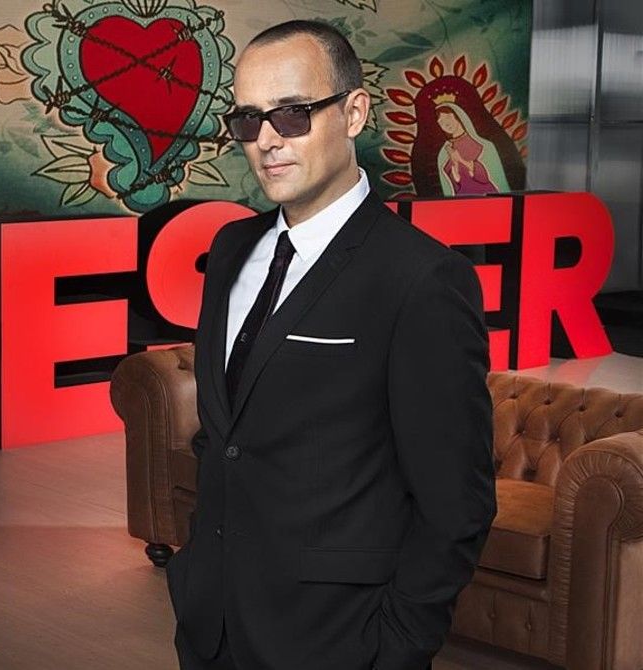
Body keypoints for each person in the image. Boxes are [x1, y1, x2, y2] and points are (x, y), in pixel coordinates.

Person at [164, 20, 496, 670]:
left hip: (338, 642)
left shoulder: (421, 279)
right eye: (248, 120)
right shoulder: (231, 249)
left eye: (292, 114)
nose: (267, 141)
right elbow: (226, 437)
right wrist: (195, 569)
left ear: (354, 113)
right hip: (211, 628)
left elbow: (456, 501)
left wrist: (396, 648)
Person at [434, 102, 510, 196]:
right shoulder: (444, 153)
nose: (446, 124)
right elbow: (451, 187)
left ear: (458, 116)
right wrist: (455, 168)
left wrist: (460, 159)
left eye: (448, 117)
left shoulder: (485, 146)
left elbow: (488, 178)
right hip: (462, 201)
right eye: (441, 122)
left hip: (487, 198)